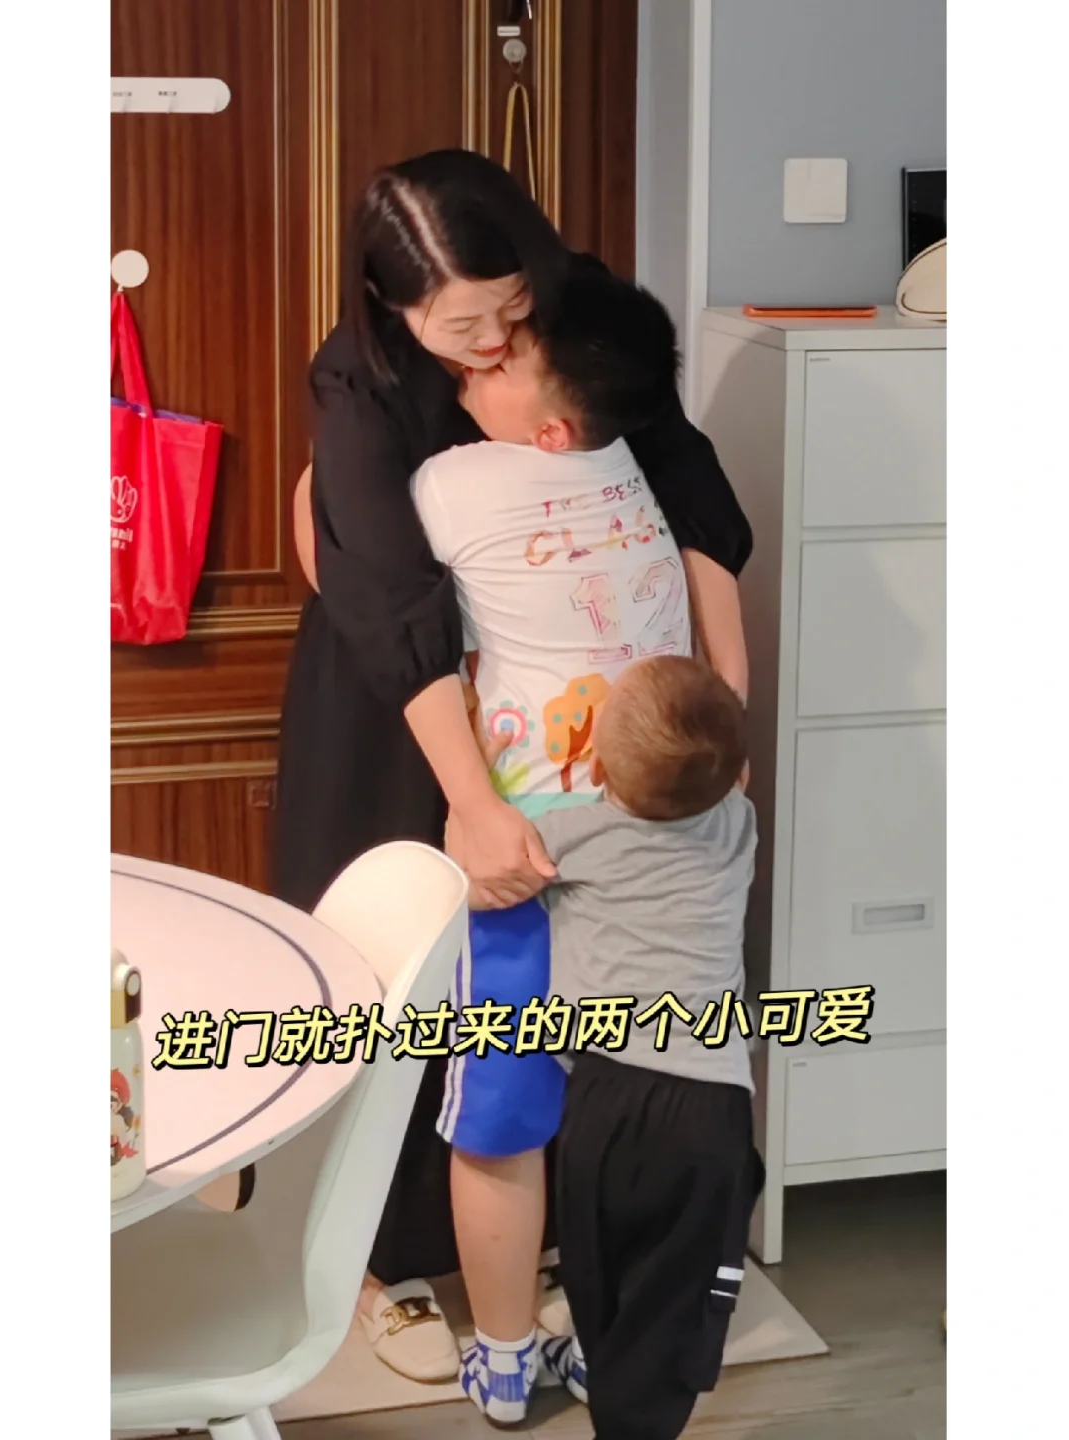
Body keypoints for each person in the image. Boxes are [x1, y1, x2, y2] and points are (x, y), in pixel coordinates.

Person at [275, 148, 753, 1383]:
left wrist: (725, 704)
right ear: (393, 308)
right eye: (459, 330)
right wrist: (472, 799)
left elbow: (690, 486)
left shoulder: (581, 318)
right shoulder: (364, 378)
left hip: (569, 738)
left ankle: (539, 1278)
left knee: (539, 1029)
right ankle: (366, 1267)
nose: (490, 346)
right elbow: (370, 576)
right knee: (388, 981)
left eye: (509, 313)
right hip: (403, 693)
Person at [407, 269, 744, 1423]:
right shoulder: (638, 469)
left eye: (505, 359)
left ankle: (504, 1358)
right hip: (657, 846)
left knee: (502, 1112)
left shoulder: (455, 482)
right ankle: (612, 1338)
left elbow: (332, 541)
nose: (479, 360)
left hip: (525, 852)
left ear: (550, 427)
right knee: (631, 1103)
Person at [532, 655, 765, 1440]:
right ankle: (637, 1408)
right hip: (712, 1105)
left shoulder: (570, 836)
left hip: (611, 1096)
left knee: (596, 1265)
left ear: (596, 767)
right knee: (677, 1294)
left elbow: (484, 863)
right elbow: (723, 776)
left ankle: (609, 1381)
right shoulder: (739, 823)